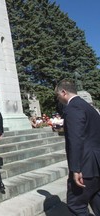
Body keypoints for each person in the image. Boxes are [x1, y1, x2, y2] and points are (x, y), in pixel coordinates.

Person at [55, 78, 100, 215]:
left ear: (63, 92)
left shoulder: (73, 107)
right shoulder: (88, 107)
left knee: (76, 205)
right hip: (96, 163)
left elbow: (75, 139)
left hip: (85, 165)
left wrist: (76, 169)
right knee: (96, 198)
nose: (58, 99)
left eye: (57, 96)